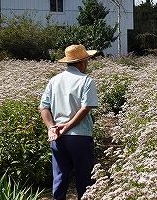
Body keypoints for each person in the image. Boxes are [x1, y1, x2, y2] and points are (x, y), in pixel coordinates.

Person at [39, 44, 99, 200]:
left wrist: (51, 128)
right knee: (85, 179)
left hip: (57, 137)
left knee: (60, 176)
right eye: (87, 60)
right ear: (81, 62)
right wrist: (68, 126)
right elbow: (86, 108)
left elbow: (44, 108)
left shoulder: (54, 80)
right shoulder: (86, 80)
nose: (87, 64)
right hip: (80, 136)